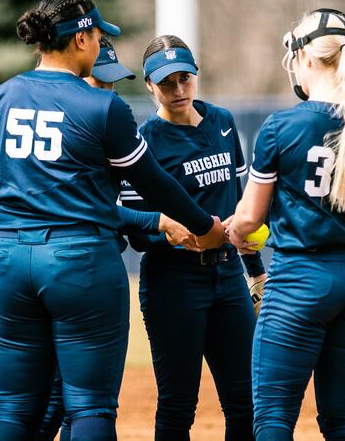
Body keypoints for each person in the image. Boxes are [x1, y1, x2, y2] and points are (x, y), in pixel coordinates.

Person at [0, 0, 226, 441]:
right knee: (90, 407)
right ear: (80, 39)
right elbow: (154, 185)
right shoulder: (102, 106)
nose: (100, 44)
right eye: (98, 35)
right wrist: (204, 226)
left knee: (16, 410)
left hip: (10, 261)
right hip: (81, 263)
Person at [227, 9, 345, 441]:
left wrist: (234, 234)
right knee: (343, 421)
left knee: (272, 419)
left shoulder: (281, 127)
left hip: (300, 283)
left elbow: (250, 219)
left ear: (305, 59)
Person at [35, 36, 196, 441]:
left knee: (62, 401)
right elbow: (90, 209)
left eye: (111, 84)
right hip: (75, 268)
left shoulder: (96, 125)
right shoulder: (74, 128)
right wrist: (160, 221)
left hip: (60, 265)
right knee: (68, 401)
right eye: (98, 82)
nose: (106, 92)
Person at [119, 35, 267, 440]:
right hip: (174, 284)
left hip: (228, 278)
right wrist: (173, 235)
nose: (178, 90)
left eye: (185, 78)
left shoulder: (222, 122)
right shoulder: (145, 140)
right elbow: (136, 231)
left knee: (246, 401)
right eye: (166, 82)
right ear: (149, 86)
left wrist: (255, 271)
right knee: (179, 403)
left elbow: (240, 205)